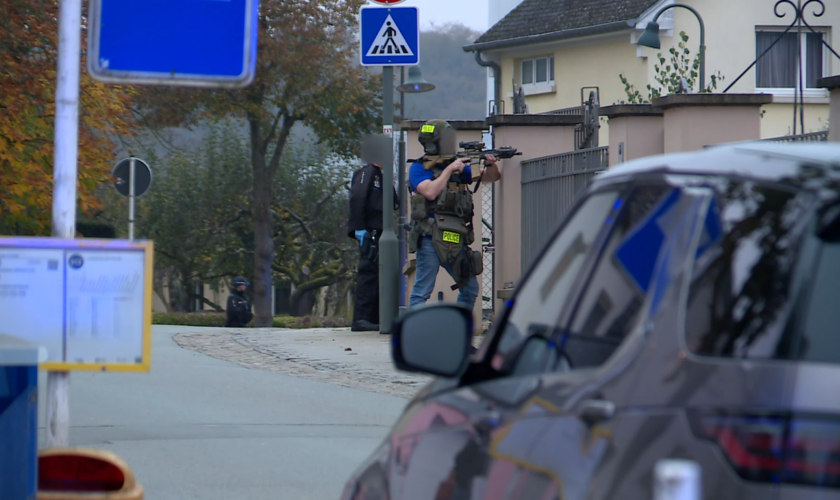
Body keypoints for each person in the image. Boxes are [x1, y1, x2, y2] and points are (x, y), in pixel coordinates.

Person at [407, 120, 501, 311]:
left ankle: (458, 335)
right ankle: (413, 336)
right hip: (431, 237)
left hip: (455, 236)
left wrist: (490, 165)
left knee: (470, 288)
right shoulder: (418, 168)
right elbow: (430, 192)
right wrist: (450, 169)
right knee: (422, 291)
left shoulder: (456, 165)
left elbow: (491, 177)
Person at [348, 157, 398, 332]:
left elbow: (393, 202)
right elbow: (358, 197)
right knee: (368, 273)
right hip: (371, 231)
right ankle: (361, 318)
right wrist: (360, 227)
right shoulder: (367, 172)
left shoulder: (380, 176)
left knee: (377, 274)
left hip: (378, 230)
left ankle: (372, 317)